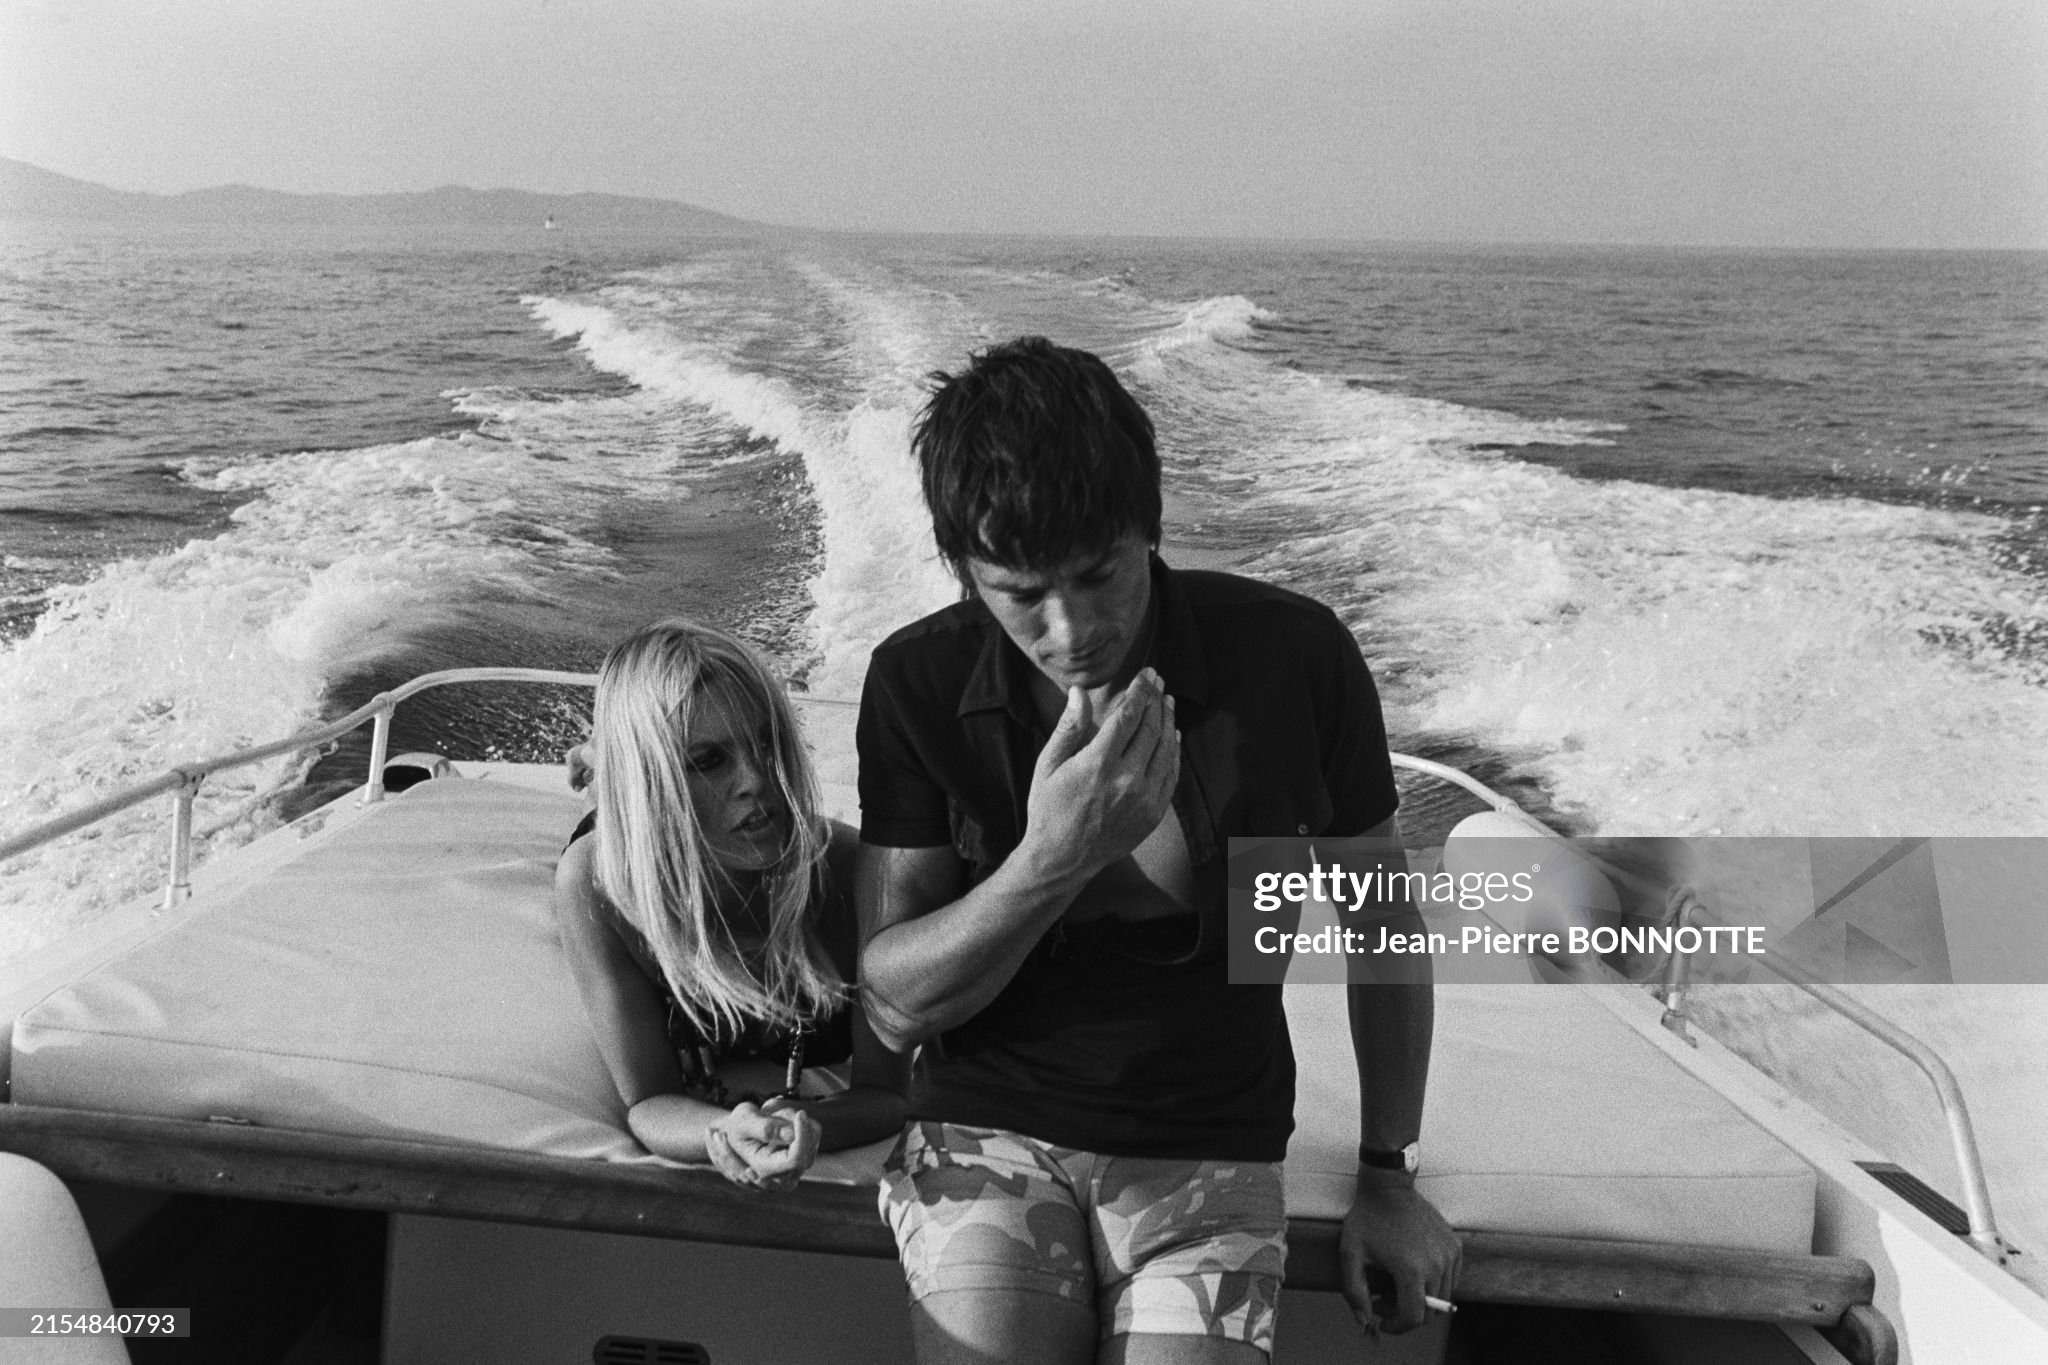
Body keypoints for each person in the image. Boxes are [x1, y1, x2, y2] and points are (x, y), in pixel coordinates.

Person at [855, 338, 1461, 1363]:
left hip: (1207, 1143)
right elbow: (897, 1000)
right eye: (1020, 594)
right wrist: (1055, 853)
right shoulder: (916, 686)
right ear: (962, 572)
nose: (1072, 627)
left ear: (1152, 526)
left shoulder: (1293, 660)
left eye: (1100, 575)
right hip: (985, 1130)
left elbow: (1381, 926)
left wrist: (1387, 1174)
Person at [554, 619, 906, 1192]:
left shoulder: (848, 872)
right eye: (708, 760)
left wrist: (794, 1126)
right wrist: (727, 1130)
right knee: (610, 813)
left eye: (767, 742)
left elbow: (887, 1094)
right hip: (649, 840)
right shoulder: (597, 885)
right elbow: (648, 1099)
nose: (759, 780)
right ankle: (602, 765)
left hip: (675, 813)